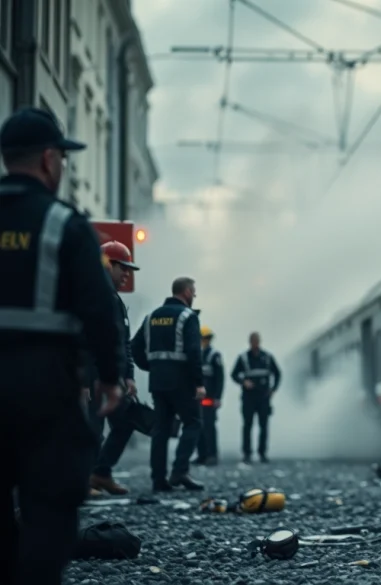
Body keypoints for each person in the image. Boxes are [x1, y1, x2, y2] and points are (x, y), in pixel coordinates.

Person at [0, 107, 124, 584]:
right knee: (49, 501)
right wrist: (111, 376)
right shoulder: (64, 223)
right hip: (43, 385)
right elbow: (98, 307)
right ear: (50, 160)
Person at [131, 277, 206, 492]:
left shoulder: (151, 317)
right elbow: (194, 351)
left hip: (158, 382)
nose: (194, 296)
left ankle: (158, 480)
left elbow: (135, 347)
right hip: (182, 382)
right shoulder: (187, 316)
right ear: (187, 292)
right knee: (193, 423)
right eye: (194, 292)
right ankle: (180, 471)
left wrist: (151, 366)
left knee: (161, 429)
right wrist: (199, 383)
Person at [87, 241, 141, 496]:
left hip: (112, 378)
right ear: (109, 264)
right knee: (92, 429)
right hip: (92, 377)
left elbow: (124, 344)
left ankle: (101, 473)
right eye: (124, 269)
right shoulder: (92, 294)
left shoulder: (115, 301)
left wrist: (128, 376)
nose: (127, 275)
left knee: (126, 421)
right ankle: (84, 481)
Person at [231, 331, 281, 464]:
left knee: (263, 426)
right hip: (248, 398)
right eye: (253, 341)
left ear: (259, 341)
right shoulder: (243, 358)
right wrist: (243, 382)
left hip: (264, 397)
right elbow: (234, 374)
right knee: (247, 425)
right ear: (250, 342)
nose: (255, 343)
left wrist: (274, 389)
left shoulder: (268, 357)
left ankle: (262, 453)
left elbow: (277, 373)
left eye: (256, 341)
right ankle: (247, 453)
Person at [193, 325, 224, 466]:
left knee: (209, 426)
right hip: (197, 398)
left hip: (209, 397)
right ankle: (201, 455)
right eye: (203, 338)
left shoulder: (214, 356)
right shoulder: (195, 355)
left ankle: (212, 455)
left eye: (206, 338)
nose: (204, 341)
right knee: (198, 426)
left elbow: (220, 378)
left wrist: (218, 397)